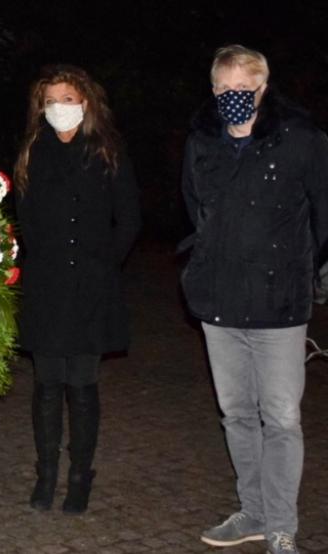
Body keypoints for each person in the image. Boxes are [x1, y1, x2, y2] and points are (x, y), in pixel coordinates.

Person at [182, 45, 328, 554]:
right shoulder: (203, 140)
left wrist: (308, 272)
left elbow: (322, 212)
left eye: (242, 89)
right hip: (220, 302)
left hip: (279, 303)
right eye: (223, 90)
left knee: (282, 417)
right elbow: (194, 207)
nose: (232, 98)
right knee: (237, 414)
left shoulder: (301, 138)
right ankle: (253, 512)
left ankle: (282, 524)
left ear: (263, 88)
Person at [13, 64, 140, 515]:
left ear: (84, 103)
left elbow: (129, 218)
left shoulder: (106, 150)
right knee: (47, 384)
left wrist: (104, 264)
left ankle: (81, 476)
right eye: (51, 101)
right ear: (40, 107)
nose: (60, 108)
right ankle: (46, 473)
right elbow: (23, 216)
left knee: (82, 384)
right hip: (47, 285)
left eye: (68, 99)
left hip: (91, 285)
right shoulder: (33, 151)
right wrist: (41, 259)